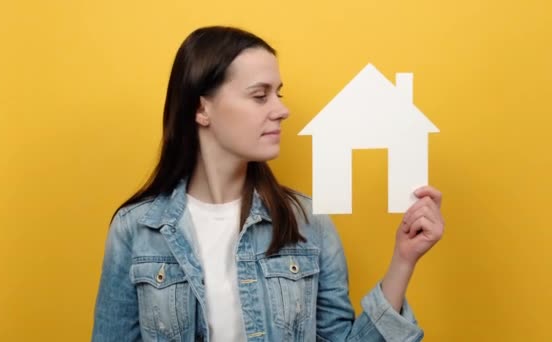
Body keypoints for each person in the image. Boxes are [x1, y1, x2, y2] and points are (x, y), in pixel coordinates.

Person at [91, 26, 444, 342]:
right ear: (202, 110)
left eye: (279, 94)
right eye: (260, 96)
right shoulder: (136, 229)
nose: (281, 110)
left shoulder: (307, 222)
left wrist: (403, 260)